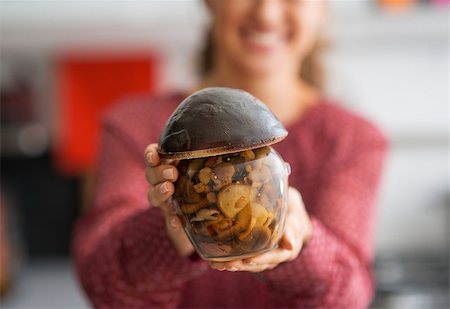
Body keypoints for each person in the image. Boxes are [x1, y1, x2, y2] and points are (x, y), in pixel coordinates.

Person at [73, 1, 388, 308]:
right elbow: (103, 286)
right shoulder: (133, 125)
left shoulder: (353, 140)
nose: (266, 13)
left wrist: (303, 240)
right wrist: (176, 227)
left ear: (323, 7)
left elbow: (349, 296)